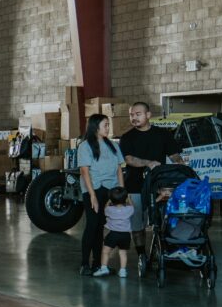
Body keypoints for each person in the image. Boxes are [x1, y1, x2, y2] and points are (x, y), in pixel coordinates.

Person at [120, 102, 180, 253]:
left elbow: (174, 155)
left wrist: (181, 166)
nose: (134, 118)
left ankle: (166, 252)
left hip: (159, 187)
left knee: (164, 222)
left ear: (148, 115)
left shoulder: (163, 135)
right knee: (137, 225)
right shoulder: (127, 137)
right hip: (135, 187)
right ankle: (141, 255)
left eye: (138, 114)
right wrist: (148, 163)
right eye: (131, 115)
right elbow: (129, 159)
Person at [76, 114, 124, 276]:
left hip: (110, 190)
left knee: (100, 227)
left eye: (108, 125)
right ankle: (84, 264)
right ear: (95, 126)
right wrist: (92, 196)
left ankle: (98, 264)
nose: (108, 128)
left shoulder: (113, 146)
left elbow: (119, 169)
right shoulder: (85, 146)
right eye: (105, 125)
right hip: (93, 189)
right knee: (92, 225)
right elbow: (84, 171)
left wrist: (122, 193)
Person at [96, 186, 135, 278]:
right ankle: (122, 271)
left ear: (111, 199)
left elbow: (105, 209)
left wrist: (109, 201)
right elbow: (132, 206)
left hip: (113, 234)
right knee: (122, 253)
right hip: (125, 235)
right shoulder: (129, 209)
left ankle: (104, 268)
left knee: (105, 251)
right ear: (125, 199)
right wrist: (129, 199)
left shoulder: (109, 210)